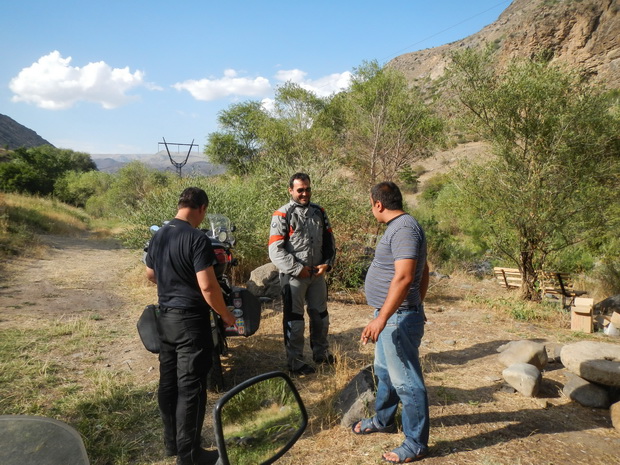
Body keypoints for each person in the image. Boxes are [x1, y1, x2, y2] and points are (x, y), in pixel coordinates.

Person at [145, 187, 236, 465]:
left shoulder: (159, 235)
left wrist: (173, 283)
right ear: (202, 208)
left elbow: (150, 273)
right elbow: (208, 287)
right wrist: (227, 316)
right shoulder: (196, 238)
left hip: (165, 319)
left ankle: (171, 444)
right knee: (191, 387)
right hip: (190, 323)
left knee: (168, 382)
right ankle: (191, 455)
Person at [352, 181, 430, 464]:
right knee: (384, 372)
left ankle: (416, 444)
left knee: (407, 382)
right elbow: (424, 271)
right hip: (392, 315)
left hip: (396, 319)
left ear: (378, 204)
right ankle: (384, 420)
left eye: (370, 204)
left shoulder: (404, 229)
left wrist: (386, 317)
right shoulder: (399, 228)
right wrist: (412, 304)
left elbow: (407, 276)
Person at [268, 172, 336, 375]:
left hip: (317, 276)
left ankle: (321, 354)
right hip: (293, 277)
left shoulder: (319, 211)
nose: (305, 193)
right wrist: (298, 269)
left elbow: (330, 243)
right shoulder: (282, 214)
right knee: (295, 320)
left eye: (307, 189)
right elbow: (275, 250)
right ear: (291, 190)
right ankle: (295, 362)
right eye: (300, 190)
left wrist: (327, 265)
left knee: (320, 316)